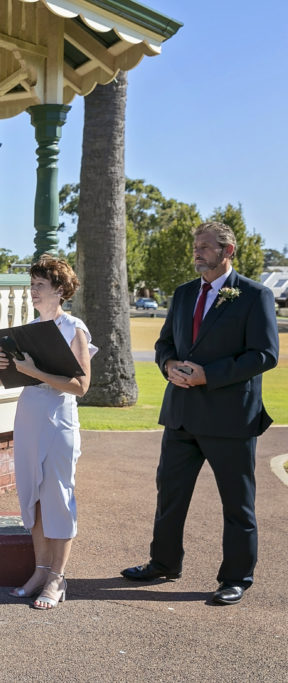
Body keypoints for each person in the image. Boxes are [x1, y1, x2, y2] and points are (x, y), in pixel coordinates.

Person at [121, 222, 278, 606]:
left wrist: (210, 375)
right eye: (196, 245)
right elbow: (164, 344)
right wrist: (169, 363)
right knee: (170, 496)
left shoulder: (254, 296)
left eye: (206, 246)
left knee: (237, 505)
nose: (197, 251)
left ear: (229, 251)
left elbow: (264, 354)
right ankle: (163, 563)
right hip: (181, 416)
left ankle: (236, 577)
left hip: (230, 420)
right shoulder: (184, 293)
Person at [0, 255, 96, 610]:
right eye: (31, 286)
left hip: (58, 420)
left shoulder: (74, 328)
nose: (33, 292)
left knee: (58, 495)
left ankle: (58, 578)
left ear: (59, 290)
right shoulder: (28, 330)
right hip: (28, 415)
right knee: (33, 495)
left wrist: (37, 371)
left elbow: (80, 386)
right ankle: (39, 571)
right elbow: (8, 380)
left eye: (40, 286)